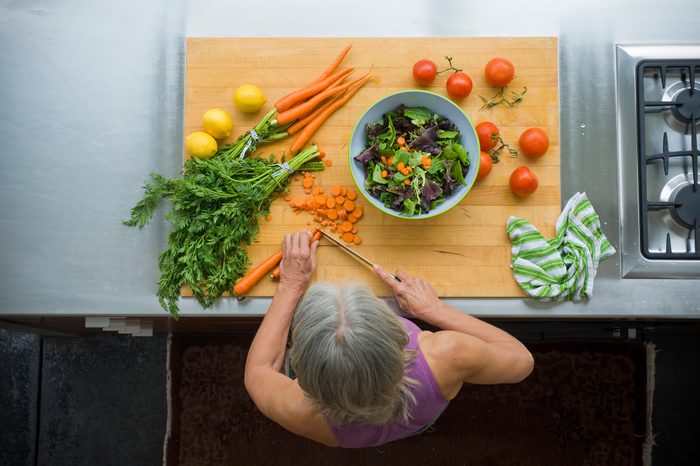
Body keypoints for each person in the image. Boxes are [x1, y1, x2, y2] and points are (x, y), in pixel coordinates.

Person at [244, 231, 534, 448]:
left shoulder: (298, 410)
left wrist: (291, 285)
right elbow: (521, 360)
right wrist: (435, 310)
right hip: (420, 413)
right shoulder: (449, 355)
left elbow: (258, 370)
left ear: (302, 369)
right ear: (395, 335)